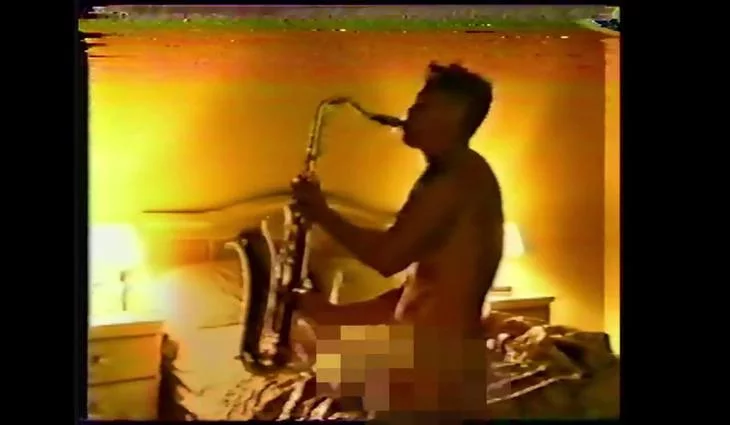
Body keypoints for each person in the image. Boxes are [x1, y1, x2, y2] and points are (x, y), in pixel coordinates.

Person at [291, 62, 504, 424]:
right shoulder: (449, 174)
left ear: (452, 117)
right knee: (323, 374)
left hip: (435, 367)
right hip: (423, 354)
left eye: (422, 106)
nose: (409, 113)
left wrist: (321, 213)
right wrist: (331, 314)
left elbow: (387, 257)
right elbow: (417, 289)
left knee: (327, 374)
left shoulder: (452, 182)